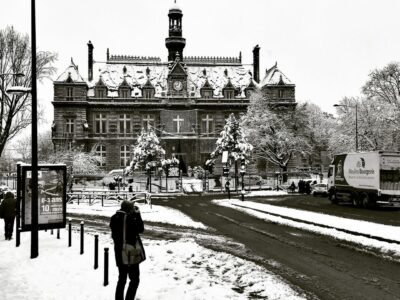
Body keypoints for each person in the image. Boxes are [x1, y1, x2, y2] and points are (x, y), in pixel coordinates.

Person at [110, 201, 145, 300]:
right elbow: (141, 229)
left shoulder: (114, 218)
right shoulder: (130, 218)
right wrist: (137, 215)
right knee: (134, 280)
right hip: (130, 252)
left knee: (122, 279)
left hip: (118, 252)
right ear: (129, 209)